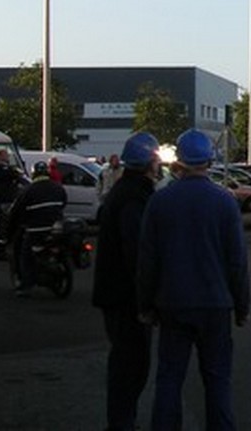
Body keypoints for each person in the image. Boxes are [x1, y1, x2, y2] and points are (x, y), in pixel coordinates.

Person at [138, 129, 250, 431]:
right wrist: (242, 306)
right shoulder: (225, 203)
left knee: (169, 379)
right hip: (215, 306)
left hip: (172, 304)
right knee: (217, 381)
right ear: (209, 161)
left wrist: (146, 304)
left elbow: (148, 260)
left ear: (179, 162)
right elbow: (237, 261)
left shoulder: (160, 202)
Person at [93, 133, 161, 431]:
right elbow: (137, 253)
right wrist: (147, 299)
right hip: (125, 298)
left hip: (117, 294)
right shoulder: (134, 198)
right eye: (157, 158)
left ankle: (121, 421)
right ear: (149, 162)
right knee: (131, 365)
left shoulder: (126, 192)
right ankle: (121, 423)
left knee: (128, 362)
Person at [6, 161, 67, 295]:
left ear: (34, 174)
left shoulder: (28, 190)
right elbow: (63, 203)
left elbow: (16, 212)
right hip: (56, 228)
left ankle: (25, 285)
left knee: (25, 255)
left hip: (36, 229)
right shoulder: (58, 187)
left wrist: (10, 229)